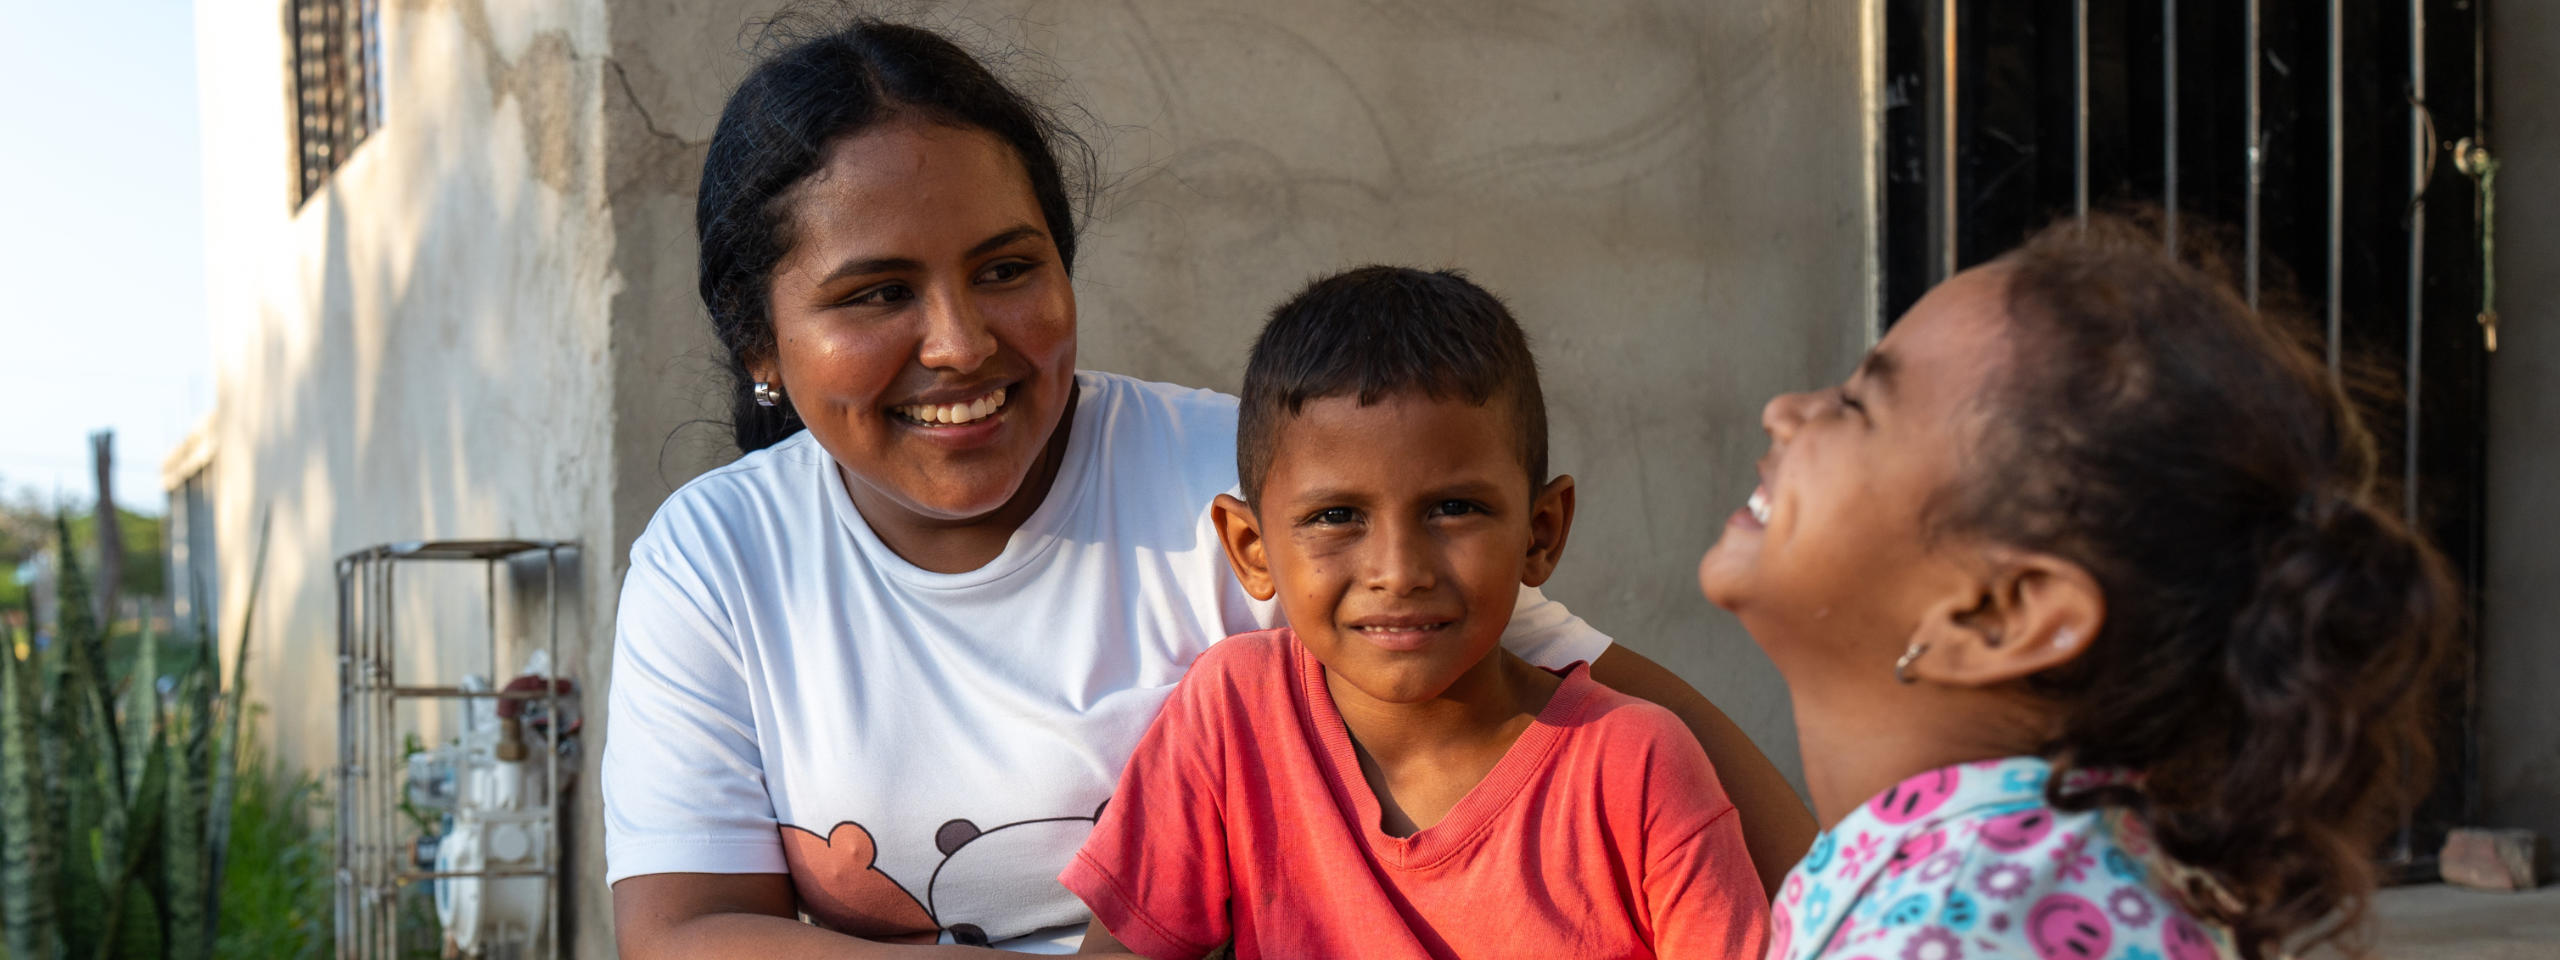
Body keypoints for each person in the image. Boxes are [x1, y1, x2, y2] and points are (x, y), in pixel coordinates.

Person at [603, 17, 1812, 957]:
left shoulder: (1240, 485)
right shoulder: (716, 559)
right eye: (876, 294)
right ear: (760, 344)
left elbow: (1581, 698)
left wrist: (1878, 896)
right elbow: (685, 931)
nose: (962, 341)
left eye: (1008, 267)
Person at [1698, 213, 2460, 960]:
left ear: (2004, 613)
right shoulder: (2031, 867)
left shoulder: (1953, 936)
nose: (1786, 411)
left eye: (1858, 405)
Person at [1063, 268, 1770, 960]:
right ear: (1251, 549)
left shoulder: (1635, 766)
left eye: (1454, 508)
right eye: (1336, 517)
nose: (1398, 571)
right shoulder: (1235, 713)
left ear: (1542, 531)